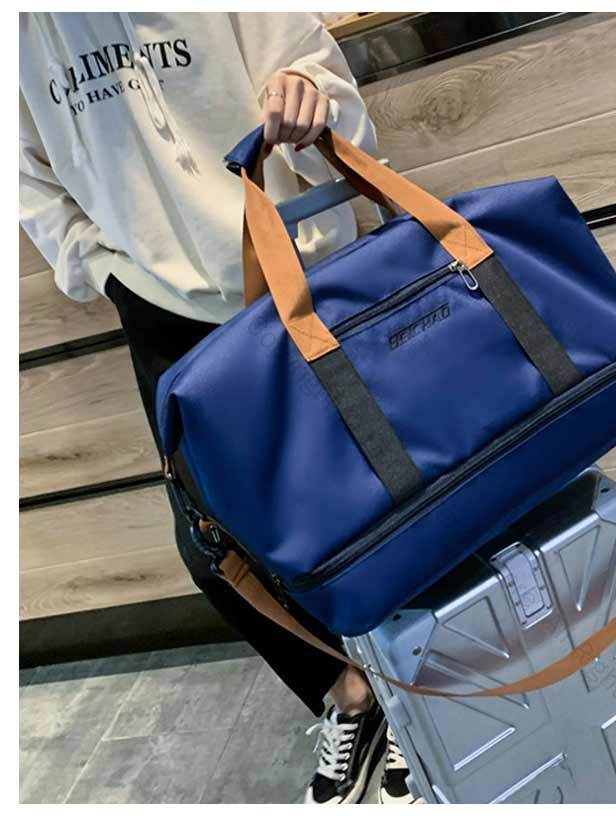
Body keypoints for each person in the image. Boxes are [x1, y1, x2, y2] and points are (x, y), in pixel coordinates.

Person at [19, 12, 418, 805]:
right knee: (215, 546)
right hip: (160, 305)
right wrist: (100, 269)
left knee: (380, 493)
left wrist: (309, 94)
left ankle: (417, 692)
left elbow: (323, 79)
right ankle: (350, 693)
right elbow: (27, 179)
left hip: (300, 264)